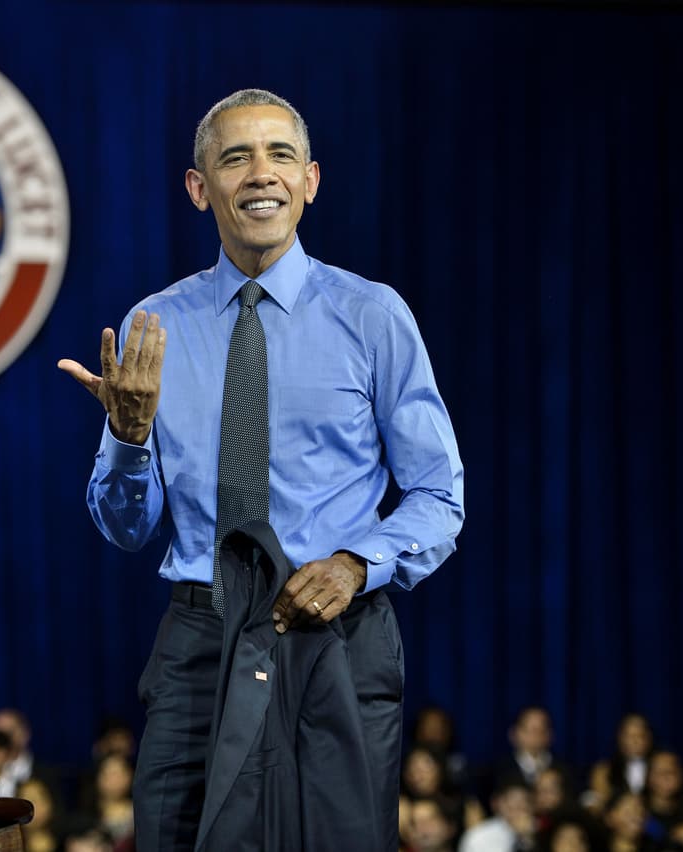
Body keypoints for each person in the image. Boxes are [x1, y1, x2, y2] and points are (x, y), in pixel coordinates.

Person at [60, 88, 464, 851]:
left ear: (310, 180)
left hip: (335, 637)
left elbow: (440, 496)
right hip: (202, 637)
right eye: (235, 157)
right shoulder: (157, 324)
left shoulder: (373, 315)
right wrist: (128, 435)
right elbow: (125, 529)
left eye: (280, 155)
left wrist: (355, 563)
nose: (260, 174)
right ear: (198, 186)